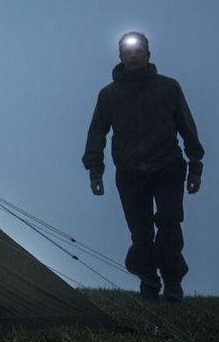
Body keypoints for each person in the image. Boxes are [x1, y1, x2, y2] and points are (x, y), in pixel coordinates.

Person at [83, 32, 204, 302]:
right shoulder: (109, 95)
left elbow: (187, 125)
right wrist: (95, 170)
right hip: (129, 171)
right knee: (140, 231)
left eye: (139, 51)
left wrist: (196, 164)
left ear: (148, 55)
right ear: (120, 57)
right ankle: (148, 284)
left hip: (168, 166)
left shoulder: (169, 88)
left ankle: (173, 283)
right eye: (127, 51)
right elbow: (97, 133)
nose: (133, 55)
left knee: (170, 222)